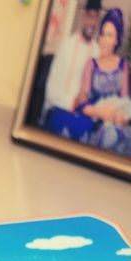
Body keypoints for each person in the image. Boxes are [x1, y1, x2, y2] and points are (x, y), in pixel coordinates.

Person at [74, 8, 131, 155]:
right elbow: (81, 102)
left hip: (118, 123)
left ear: (117, 40)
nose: (105, 40)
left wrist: (122, 118)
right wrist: (101, 113)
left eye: (110, 35)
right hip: (96, 122)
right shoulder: (91, 64)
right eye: (103, 34)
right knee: (108, 136)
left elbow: (125, 102)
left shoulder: (123, 66)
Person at [44, 0, 101, 116]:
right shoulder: (67, 45)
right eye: (90, 16)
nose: (92, 23)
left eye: (96, 18)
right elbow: (51, 90)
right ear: (83, 17)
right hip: (60, 108)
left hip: (85, 113)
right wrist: (72, 103)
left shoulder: (97, 51)